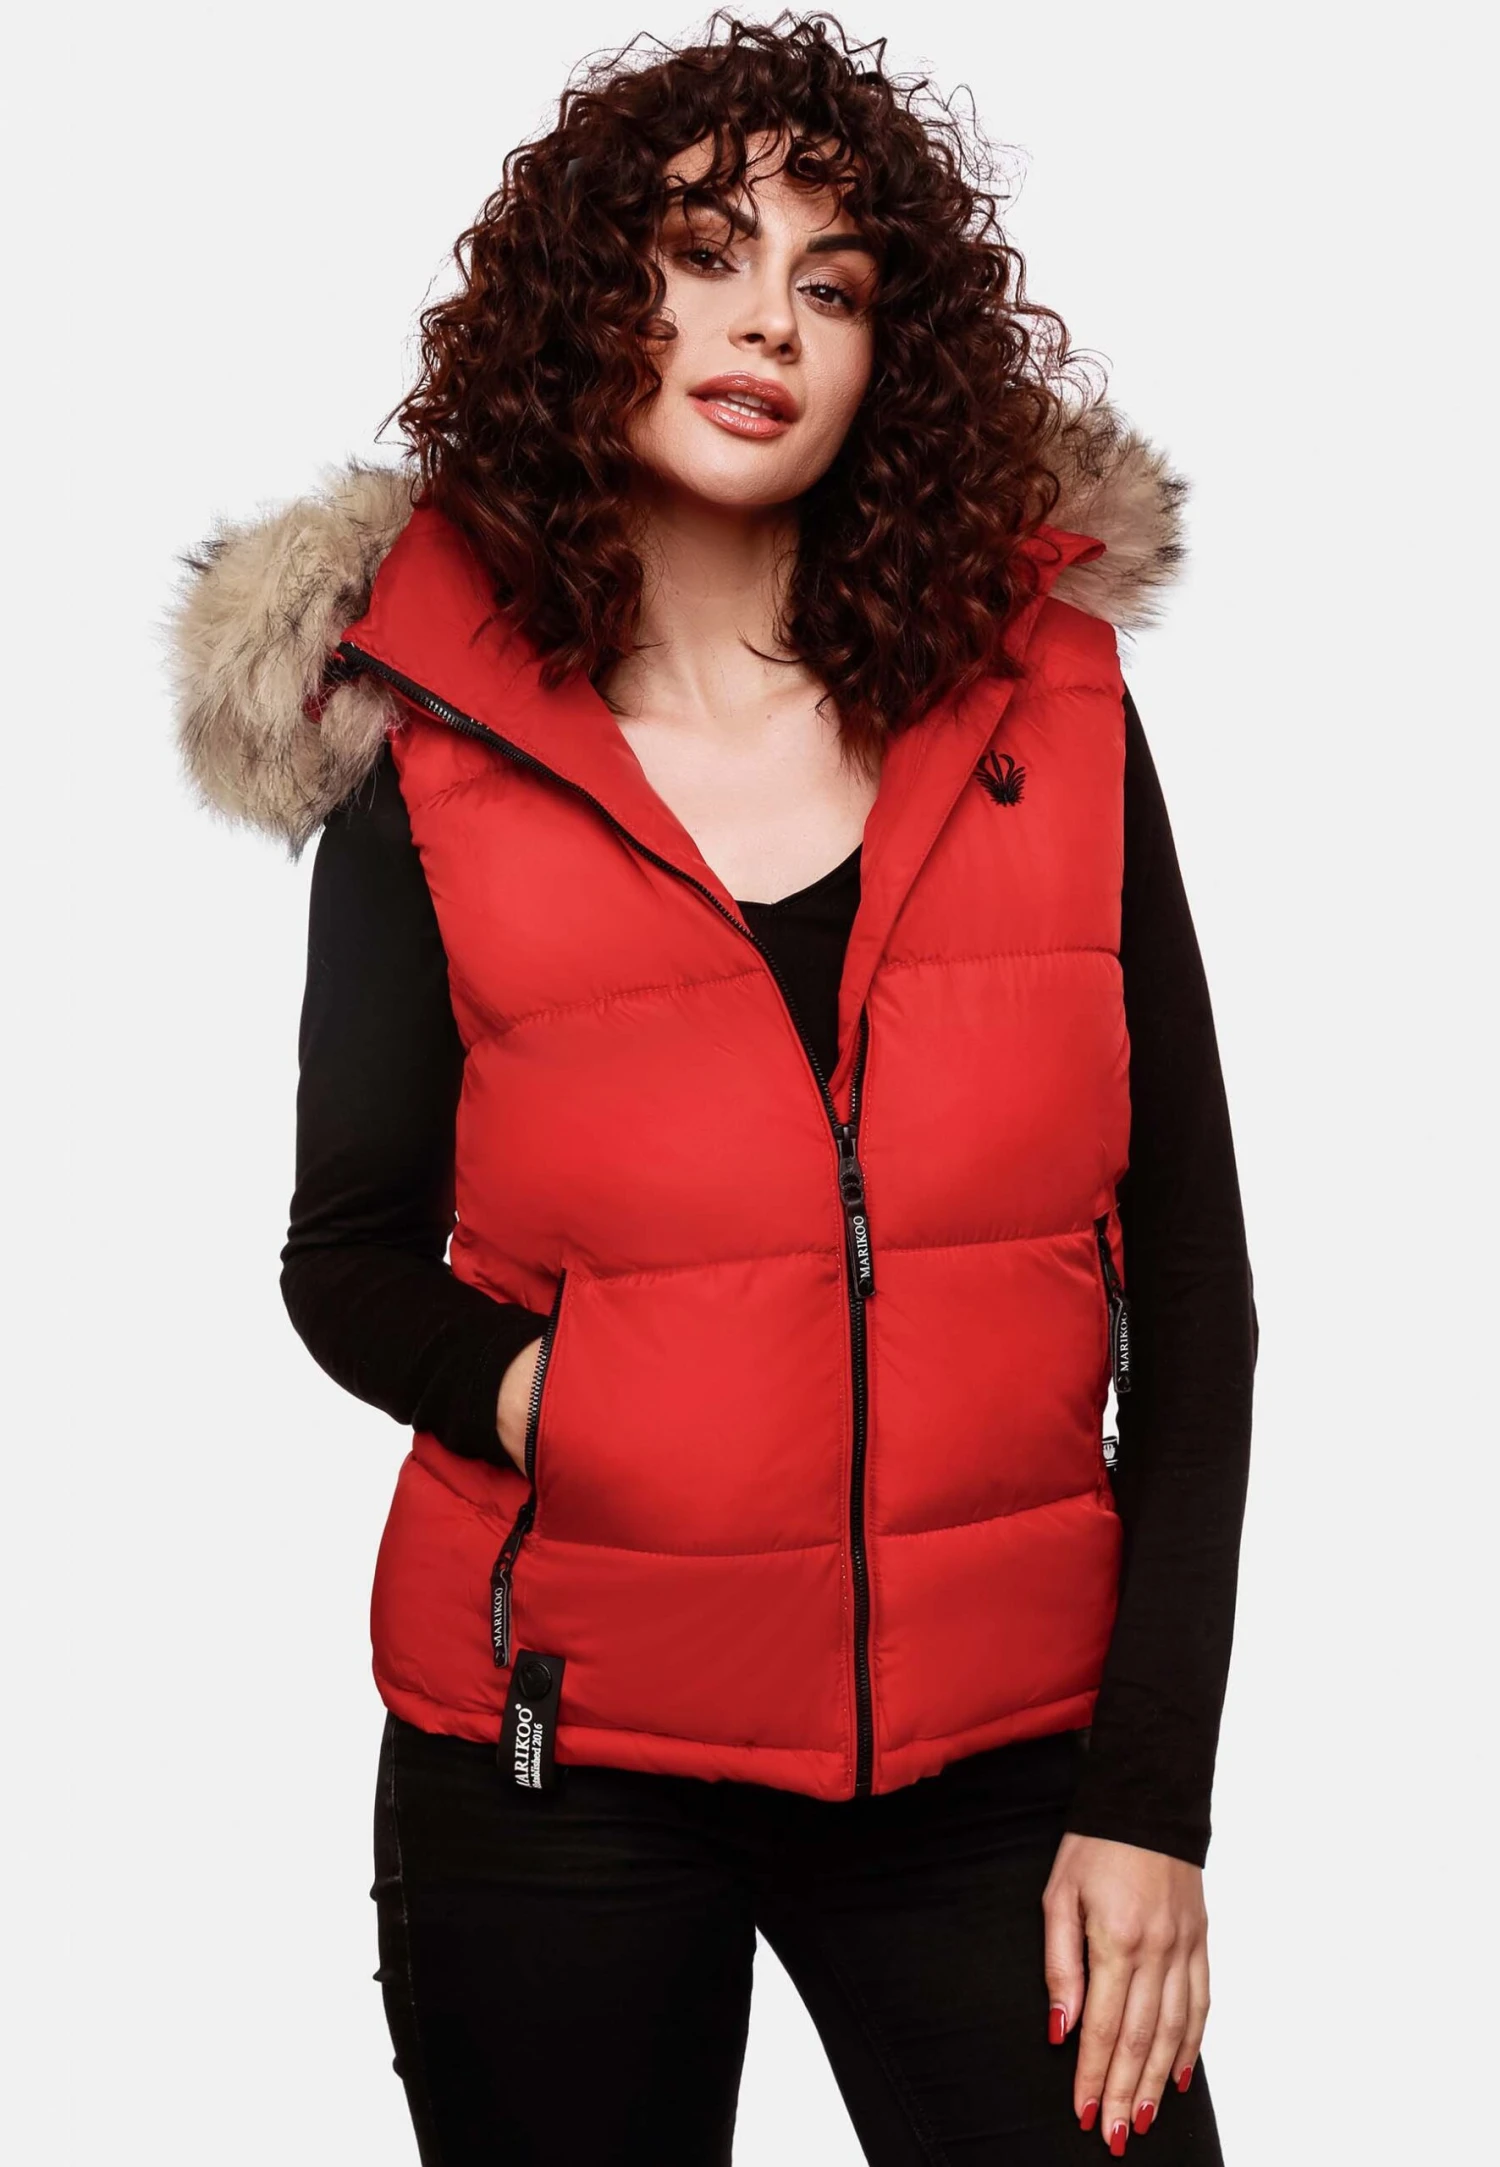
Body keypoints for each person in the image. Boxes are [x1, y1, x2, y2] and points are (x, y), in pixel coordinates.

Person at [168, 15, 1256, 2162]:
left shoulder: (1044, 707)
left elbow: (1194, 1287)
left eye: (831, 285)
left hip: (999, 1766)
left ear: (887, 360)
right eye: (705, 253)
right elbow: (346, 1258)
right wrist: (560, 1400)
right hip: (554, 1761)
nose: (768, 322)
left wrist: (1149, 1801)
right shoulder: (432, 740)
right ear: (594, 300)